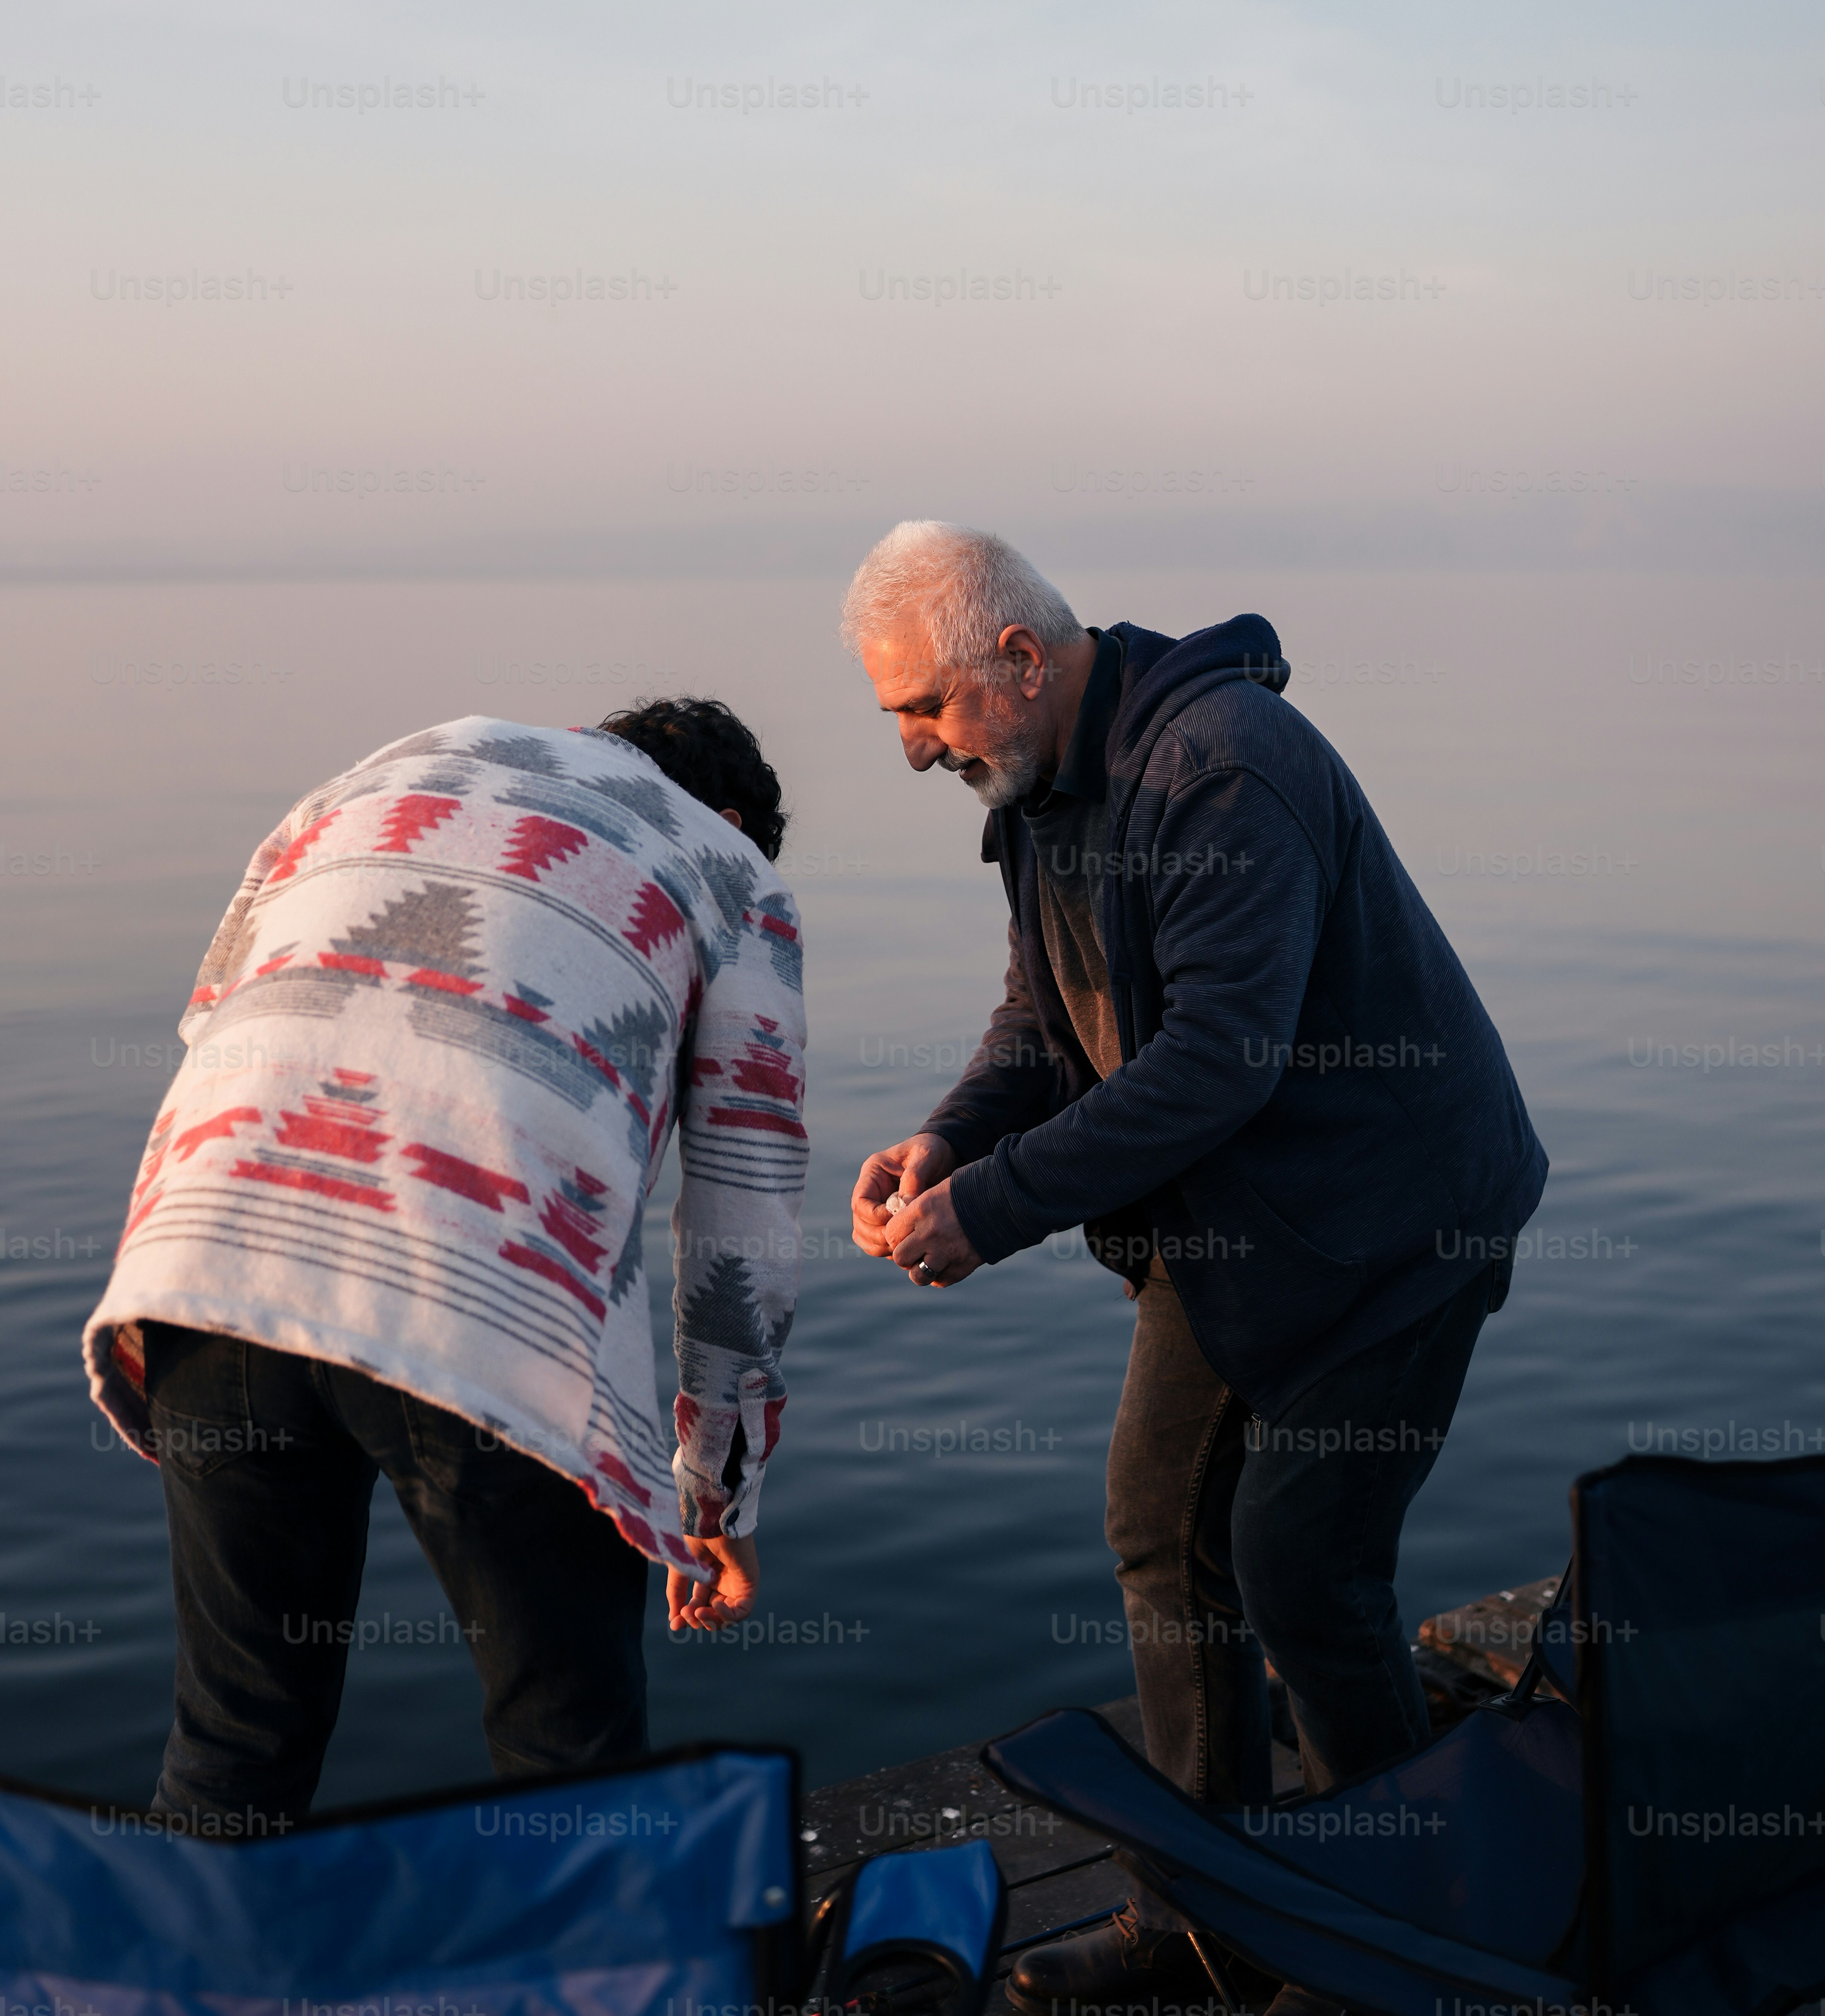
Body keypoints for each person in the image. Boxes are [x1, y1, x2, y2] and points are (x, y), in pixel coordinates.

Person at [840, 523, 1547, 2016]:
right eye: (896, 715)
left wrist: (999, 1208)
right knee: (1163, 1532)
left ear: (1022, 661)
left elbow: (1218, 1062)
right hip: (1231, 1220)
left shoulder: (1222, 765)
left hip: (1400, 1221)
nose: (911, 749)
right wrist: (944, 1143)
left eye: (925, 708)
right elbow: (1046, 1019)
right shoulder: (1042, 788)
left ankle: (1404, 1925)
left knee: (1303, 1564)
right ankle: (1203, 1916)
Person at [84, 699, 807, 1831]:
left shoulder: (379, 775)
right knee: (567, 1745)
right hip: (484, 1297)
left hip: (206, 1259)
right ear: (723, 815)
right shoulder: (725, 868)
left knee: (235, 1739)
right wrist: (719, 1489)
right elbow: (743, 1212)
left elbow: (212, 1018)